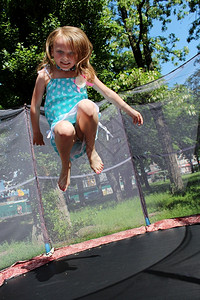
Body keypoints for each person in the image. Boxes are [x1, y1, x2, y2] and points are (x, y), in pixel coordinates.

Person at [31, 26, 143, 192]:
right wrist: (36, 132)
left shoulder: (82, 73)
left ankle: (91, 151)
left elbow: (107, 93)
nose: (65, 58)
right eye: (60, 52)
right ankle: (65, 164)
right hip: (62, 129)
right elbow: (35, 105)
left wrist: (129, 110)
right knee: (64, 129)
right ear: (51, 50)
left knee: (87, 105)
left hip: (84, 127)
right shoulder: (46, 75)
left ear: (80, 53)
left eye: (71, 53)